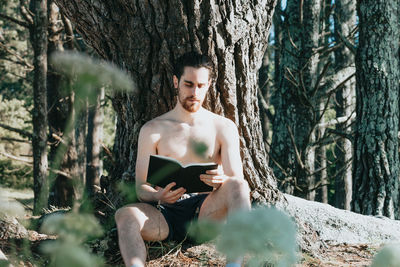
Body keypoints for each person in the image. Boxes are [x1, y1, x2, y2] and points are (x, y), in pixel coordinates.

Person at [115, 51, 251, 267]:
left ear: (208, 85)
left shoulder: (223, 127)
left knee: (239, 186)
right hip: (164, 215)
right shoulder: (152, 130)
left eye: (200, 85)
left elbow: (237, 183)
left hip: (205, 212)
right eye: (188, 84)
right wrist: (158, 194)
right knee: (125, 215)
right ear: (176, 82)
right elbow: (141, 187)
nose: (194, 92)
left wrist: (221, 179)